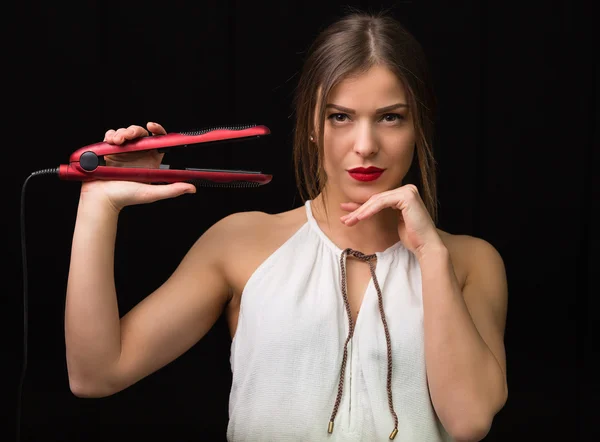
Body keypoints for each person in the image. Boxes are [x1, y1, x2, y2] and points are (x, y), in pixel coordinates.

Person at [64, 10, 508, 442]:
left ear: (418, 127)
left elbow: (468, 422)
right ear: (313, 125)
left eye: (390, 117)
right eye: (341, 117)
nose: (366, 145)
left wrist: (431, 256)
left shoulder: (470, 262)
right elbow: (96, 374)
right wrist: (99, 203)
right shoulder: (239, 243)